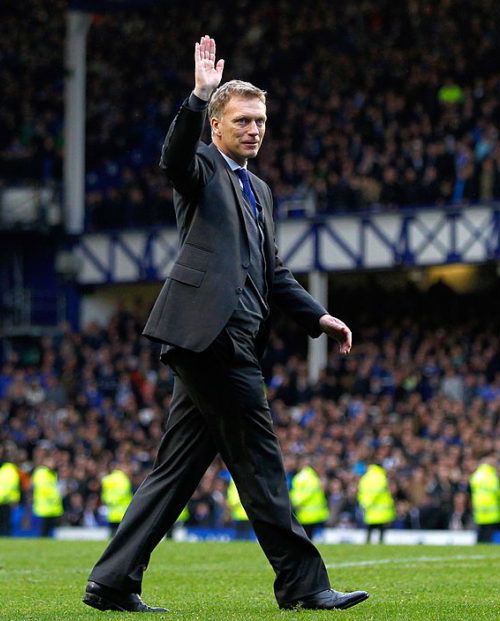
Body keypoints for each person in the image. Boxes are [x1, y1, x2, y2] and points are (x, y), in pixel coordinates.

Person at [83, 36, 367, 613]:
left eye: (260, 121)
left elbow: (273, 271)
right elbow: (172, 160)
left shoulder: (260, 189)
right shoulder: (202, 167)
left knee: (176, 471)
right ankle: (303, 584)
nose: (254, 129)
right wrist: (197, 96)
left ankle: (112, 581)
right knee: (259, 461)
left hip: (223, 339)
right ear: (216, 126)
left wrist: (317, 316)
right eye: (242, 120)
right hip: (212, 337)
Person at [357, 464, 396, 543]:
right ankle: (380, 541)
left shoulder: (365, 478)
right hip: (382, 508)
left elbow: (360, 492)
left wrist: (364, 503)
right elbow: (378, 491)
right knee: (382, 527)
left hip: (369, 508)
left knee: (371, 526)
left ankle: (368, 541)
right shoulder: (381, 477)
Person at [290, 463, 329, 539]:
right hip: (311, 515)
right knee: (309, 538)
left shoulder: (303, 477)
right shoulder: (310, 479)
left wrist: (294, 503)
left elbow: (295, 492)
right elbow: (305, 494)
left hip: (306, 515)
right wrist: (296, 503)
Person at [469, 460, 500, 543]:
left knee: (480, 529)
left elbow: (471, 489)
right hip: (491, 508)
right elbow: (498, 491)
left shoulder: (476, 475)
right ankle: (487, 543)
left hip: (479, 507)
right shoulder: (492, 476)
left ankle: (479, 544)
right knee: (488, 530)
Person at [32, 458, 64, 538]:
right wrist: (55, 496)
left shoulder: (52, 474)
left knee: (50, 530)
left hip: (52, 507)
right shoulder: (41, 473)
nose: (52, 464)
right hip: (44, 506)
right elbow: (44, 488)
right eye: (50, 462)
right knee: (44, 529)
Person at [100, 464, 133, 536]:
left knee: (112, 534)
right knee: (122, 535)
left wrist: (109, 501)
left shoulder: (108, 479)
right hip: (123, 512)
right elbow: (124, 493)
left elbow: (104, 494)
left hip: (111, 512)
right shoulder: (124, 479)